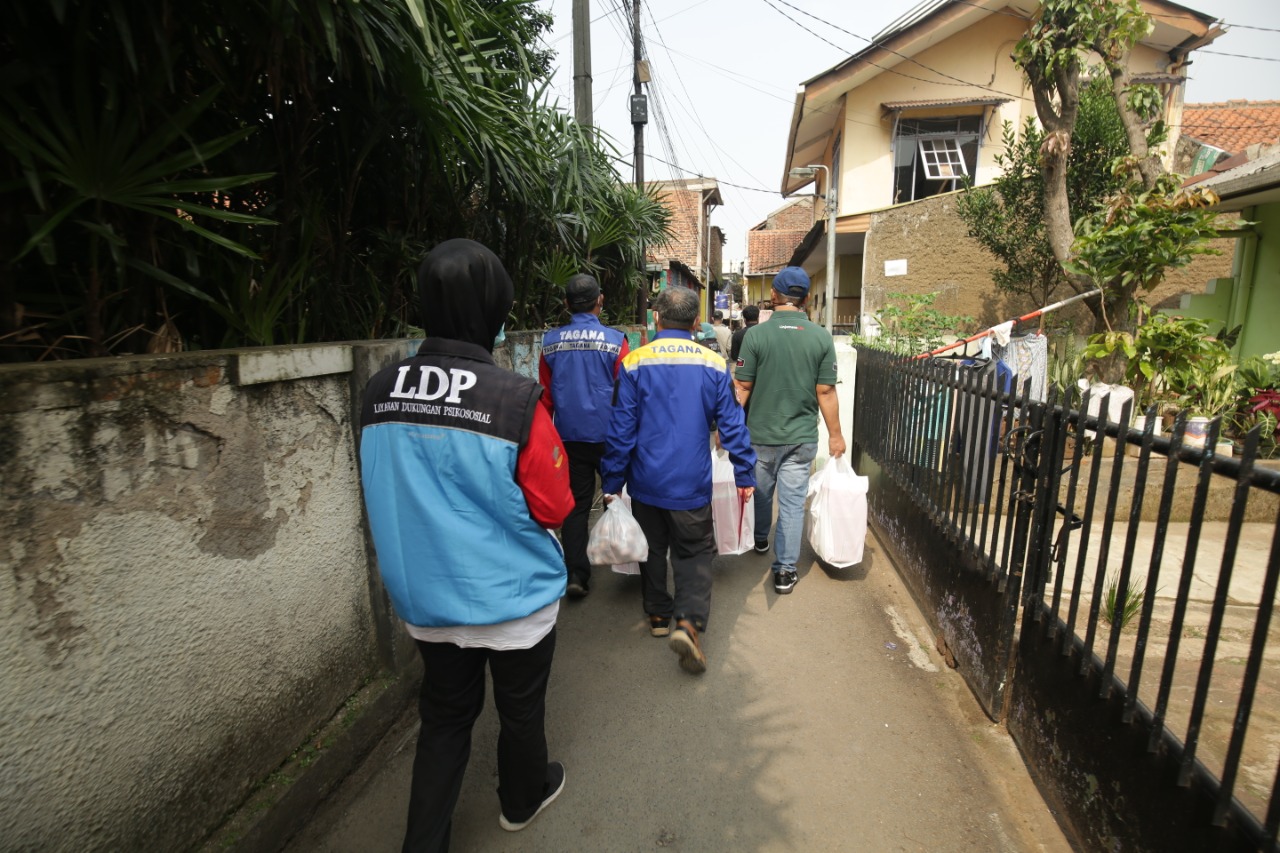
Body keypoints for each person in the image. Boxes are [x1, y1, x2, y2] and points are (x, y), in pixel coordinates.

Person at [359, 239, 573, 852]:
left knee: (446, 719)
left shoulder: (377, 394)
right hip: (514, 601)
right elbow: (556, 505)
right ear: (492, 309)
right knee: (520, 709)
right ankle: (521, 799)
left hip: (426, 599)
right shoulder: (514, 401)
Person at [601, 286, 756, 674]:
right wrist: (744, 471)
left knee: (653, 548)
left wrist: (611, 481)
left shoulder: (634, 362)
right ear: (695, 322)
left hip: (645, 479)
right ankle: (688, 623)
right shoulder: (713, 363)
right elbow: (732, 424)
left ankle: (657, 617)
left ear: (656, 318)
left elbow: (622, 428)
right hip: (690, 481)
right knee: (694, 552)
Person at [733, 266, 845, 595]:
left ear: (773, 297)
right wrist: (836, 435)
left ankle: (761, 539)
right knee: (793, 503)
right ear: (806, 299)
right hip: (801, 437)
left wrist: (728, 425)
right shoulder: (821, 337)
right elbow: (826, 391)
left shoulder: (756, 335)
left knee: (762, 492)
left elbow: (742, 386)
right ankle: (784, 572)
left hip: (760, 436)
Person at [538, 273, 630, 600]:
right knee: (614, 496)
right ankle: (619, 557)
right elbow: (626, 393)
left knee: (576, 506)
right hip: (610, 437)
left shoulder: (550, 342)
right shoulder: (616, 341)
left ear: (566, 304)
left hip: (568, 438)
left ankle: (577, 573)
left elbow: (546, 397)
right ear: (600, 300)